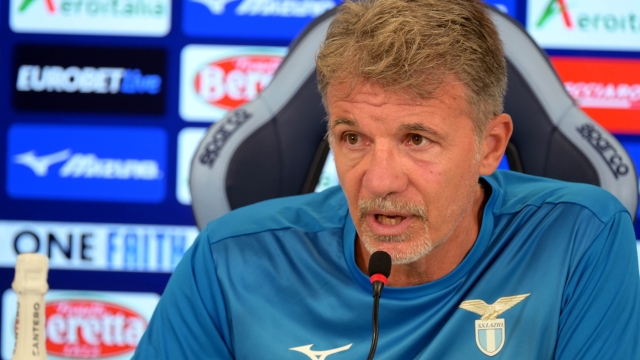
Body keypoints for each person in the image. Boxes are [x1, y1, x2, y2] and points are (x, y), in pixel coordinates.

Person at [133, 0, 640, 358]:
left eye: (416, 139)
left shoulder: (582, 236)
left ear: (489, 146)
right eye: (352, 138)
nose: (378, 181)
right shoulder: (227, 258)